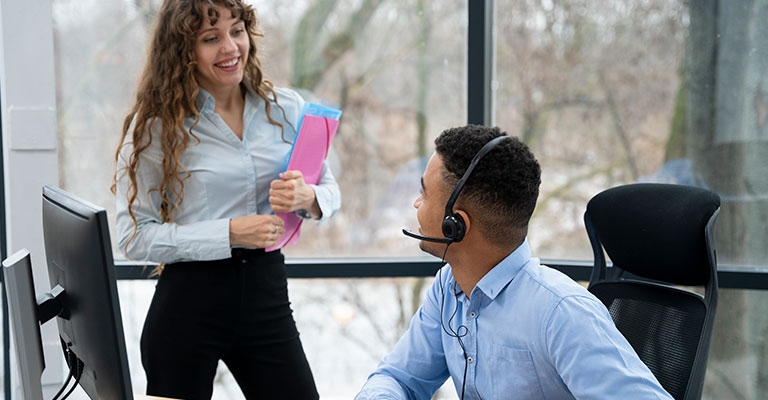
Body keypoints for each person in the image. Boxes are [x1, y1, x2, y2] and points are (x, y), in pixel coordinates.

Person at [112, 0, 340, 399]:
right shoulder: (156, 128)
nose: (230, 47)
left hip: (266, 294)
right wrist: (230, 233)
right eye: (210, 38)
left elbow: (331, 192)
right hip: (188, 303)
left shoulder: (287, 109)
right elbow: (133, 236)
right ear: (184, 49)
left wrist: (309, 197)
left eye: (237, 31)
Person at [355, 125, 671, 399]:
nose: (416, 204)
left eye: (424, 194)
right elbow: (399, 378)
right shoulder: (449, 289)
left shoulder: (561, 313)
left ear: (457, 223)